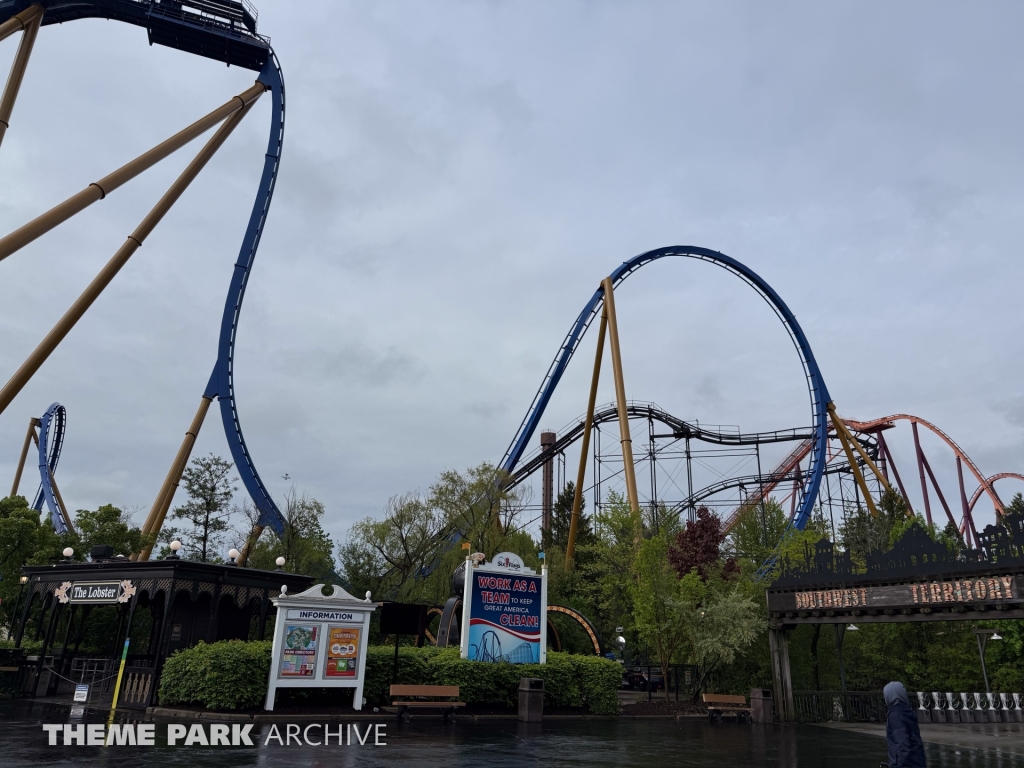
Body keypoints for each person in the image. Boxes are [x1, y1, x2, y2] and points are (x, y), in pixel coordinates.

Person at [884, 681, 927, 767]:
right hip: (917, 761)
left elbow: (902, 743)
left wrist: (898, 765)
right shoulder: (908, 712)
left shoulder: (895, 715)